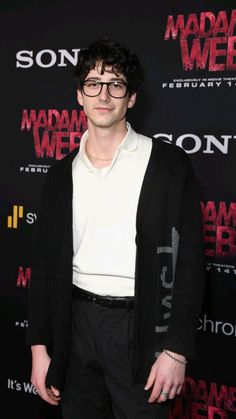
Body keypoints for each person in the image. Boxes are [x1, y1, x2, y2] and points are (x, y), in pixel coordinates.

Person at [27, 39, 205, 419]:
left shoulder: (168, 165)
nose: (103, 94)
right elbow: (43, 267)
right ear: (80, 95)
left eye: (116, 84)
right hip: (73, 325)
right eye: (93, 83)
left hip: (140, 327)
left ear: (132, 97)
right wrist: (40, 349)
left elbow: (190, 263)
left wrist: (176, 350)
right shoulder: (60, 174)